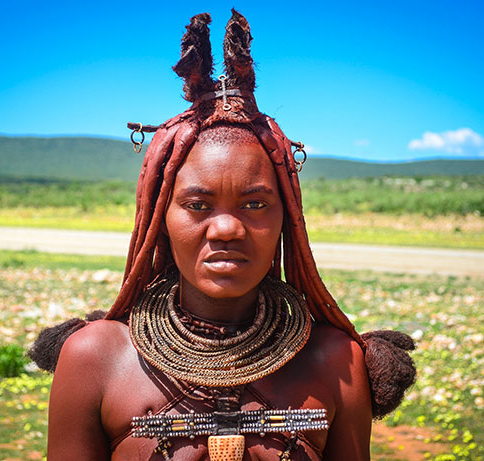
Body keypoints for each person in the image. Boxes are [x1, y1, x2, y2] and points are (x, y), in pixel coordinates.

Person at [30, 10, 416, 460]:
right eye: (198, 205)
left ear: (287, 218)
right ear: (160, 216)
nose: (228, 228)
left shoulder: (336, 363)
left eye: (255, 204)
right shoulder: (95, 358)